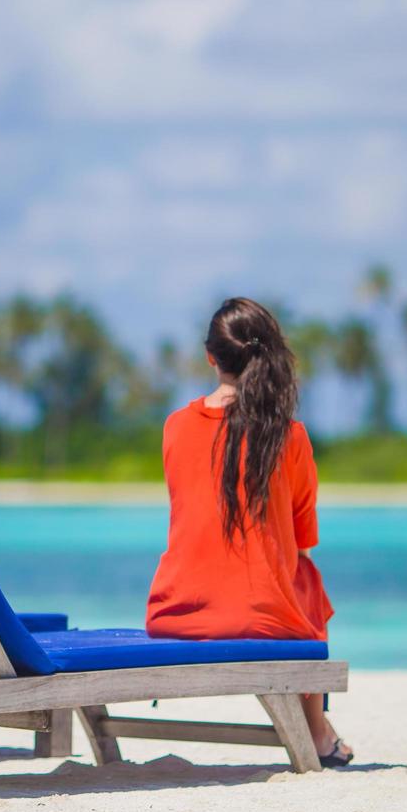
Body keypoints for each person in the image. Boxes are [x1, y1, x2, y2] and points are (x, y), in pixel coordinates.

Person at [146, 296, 353, 767]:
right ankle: (318, 734)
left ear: (210, 356)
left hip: (174, 611)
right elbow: (301, 540)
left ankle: (320, 732)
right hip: (260, 618)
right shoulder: (289, 435)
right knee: (308, 580)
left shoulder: (175, 427)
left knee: (296, 577)